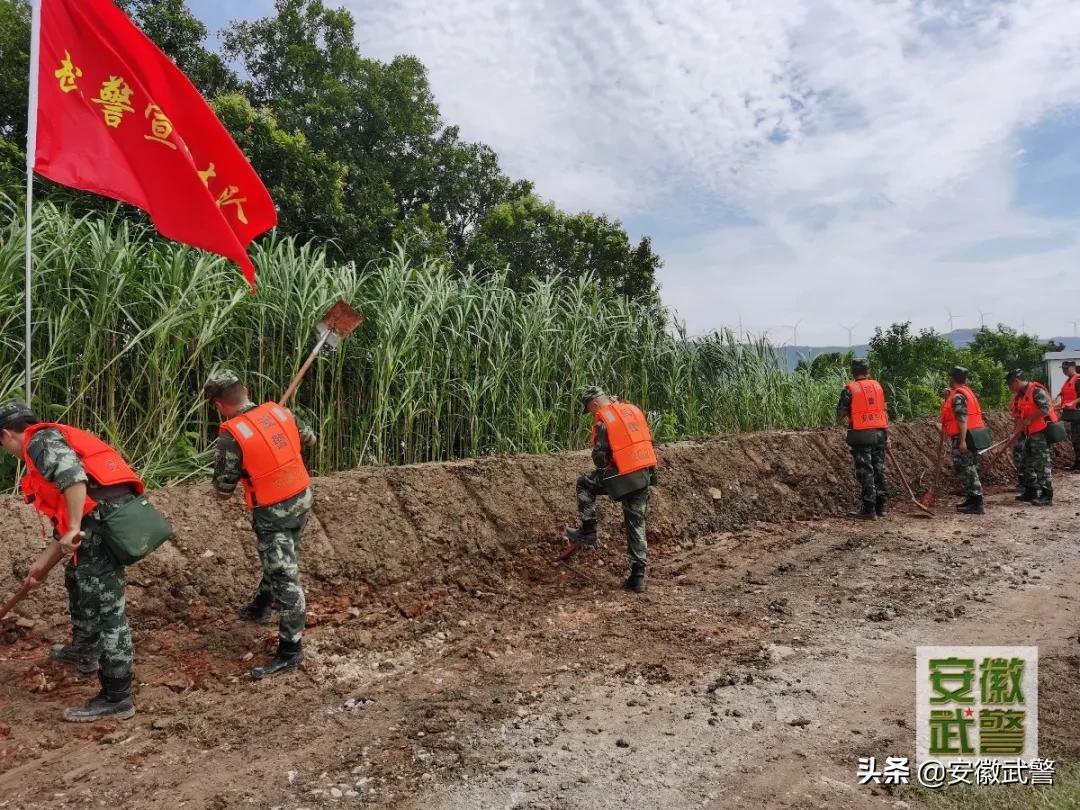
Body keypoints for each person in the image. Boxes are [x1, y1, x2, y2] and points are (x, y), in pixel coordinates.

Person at [0, 401, 142, 721]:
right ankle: (85, 651)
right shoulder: (49, 440)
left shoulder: (39, 442)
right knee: (77, 579)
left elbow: (73, 478)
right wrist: (41, 567)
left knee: (107, 608)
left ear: (6, 434)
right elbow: (65, 527)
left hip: (101, 528)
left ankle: (117, 695)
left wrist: (76, 527)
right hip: (98, 525)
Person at [203, 371, 316, 678]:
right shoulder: (281, 412)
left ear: (217, 404)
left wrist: (242, 471)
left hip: (273, 512)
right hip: (302, 498)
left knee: (285, 575)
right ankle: (262, 604)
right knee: (280, 554)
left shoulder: (231, 435)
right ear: (246, 390)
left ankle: (291, 650)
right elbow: (310, 438)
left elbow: (223, 490)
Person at [565, 386, 656, 593]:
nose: (591, 414)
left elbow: (600, 458)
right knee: (636, 523)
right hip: (644, 473)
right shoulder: (632, 410)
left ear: (595, 404)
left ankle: (588, 529)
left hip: (622, 475)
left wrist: (607, 470)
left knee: (583, 483)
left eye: (589, 409)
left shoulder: (604, 421)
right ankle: (638, 577)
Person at [836, 359, 889, 520]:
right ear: (868, 371)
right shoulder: (878, 387)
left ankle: (869, 509)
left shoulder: (850, 389)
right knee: (879, 470)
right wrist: (887, 436)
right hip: (880, 433)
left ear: (853, 372)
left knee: (866, 472)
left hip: (861, 434)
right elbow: (884, 411)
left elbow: (840, 413)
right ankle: (881, 508)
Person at [940, 367, 989, 515]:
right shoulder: (964, 392)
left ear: (952, 378)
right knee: (968, 468)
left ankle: (977, 502)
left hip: (964, 436)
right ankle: (971, 499)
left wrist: (962, 442)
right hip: (973, 434)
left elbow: (962, 419)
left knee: (967, 469)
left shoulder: (958, 397)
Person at [1006, 369, 1059, 506]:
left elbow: (1045, 408)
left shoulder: (1036, 391)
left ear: (1016, 382)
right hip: (1029, 434)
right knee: (1025, 462)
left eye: (1011, 386)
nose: (1011, 389)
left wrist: (1030, 419)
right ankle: (1031, 490)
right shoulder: (1021, 396)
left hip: (1041, 432)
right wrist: (1015, 435)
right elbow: (1019, 418)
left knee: (1042, 464)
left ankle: (1047, 495)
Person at [1055, 360, 1080, 472]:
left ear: (1073, 367)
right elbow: (1066, 399)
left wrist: (1073, 402)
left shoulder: (1078, 380)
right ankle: (1077, 463)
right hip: (1072, 415)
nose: (1064, 371)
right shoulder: (1068, 381)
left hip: (1078, 413)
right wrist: (1055, 406)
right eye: (1063, 369)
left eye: (1066, 368)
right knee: (1075, 440)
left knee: (1078, 439)